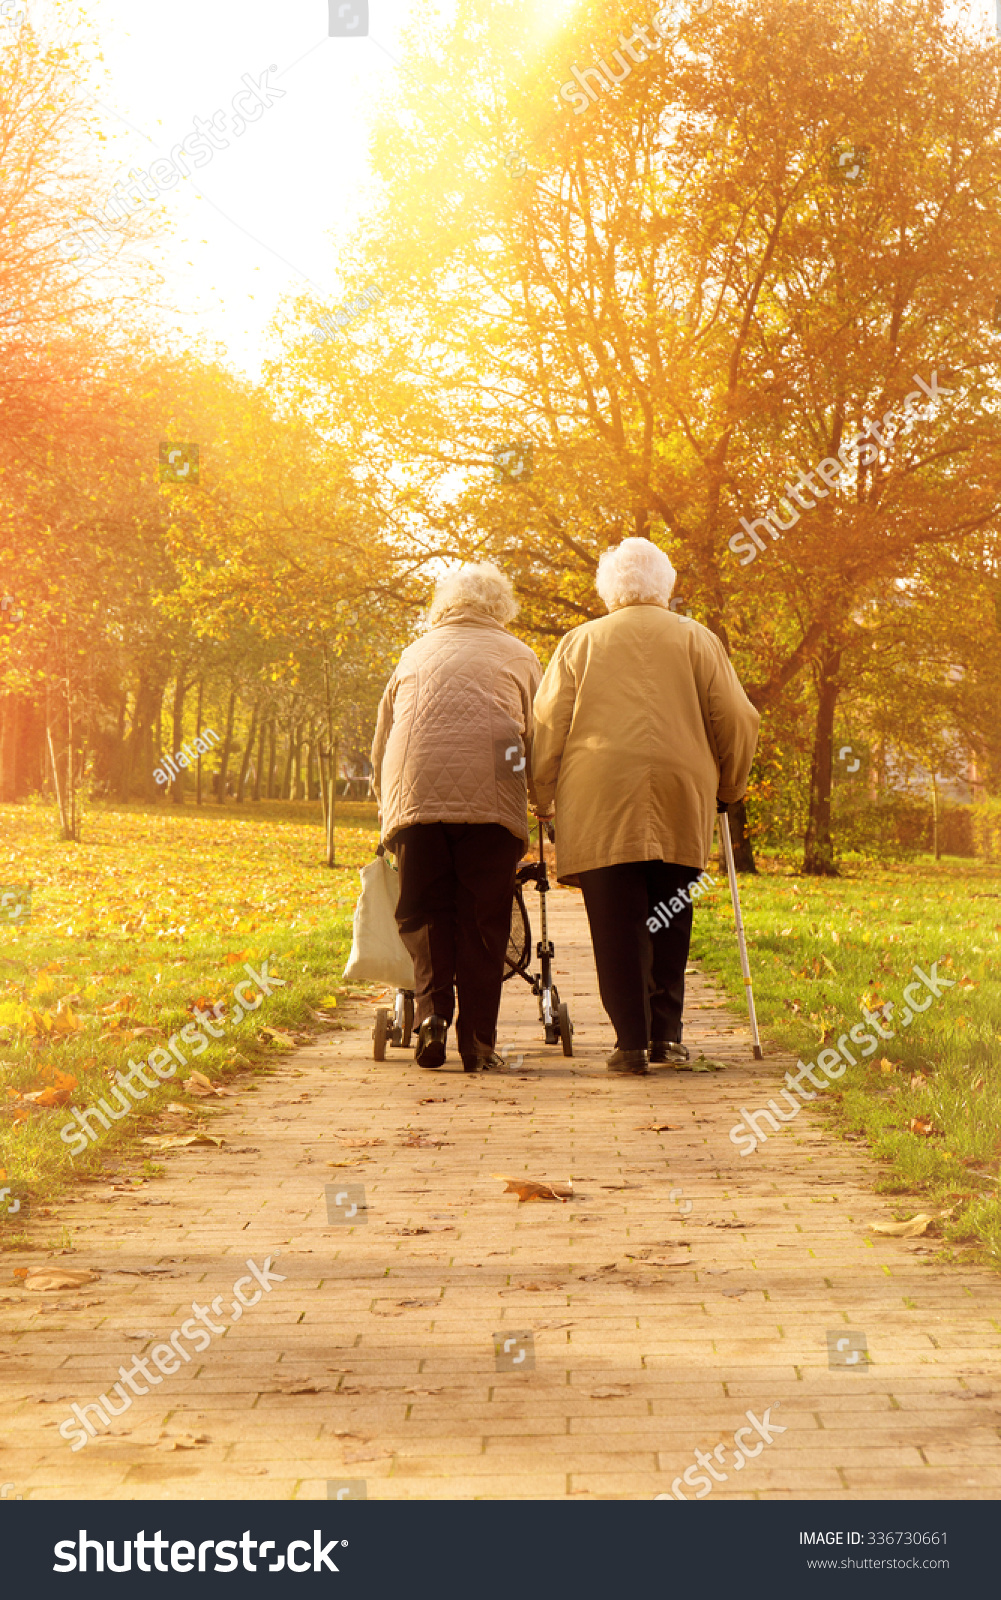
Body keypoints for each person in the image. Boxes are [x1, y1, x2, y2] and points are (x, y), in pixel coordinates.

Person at [531, 537, 759, 1075]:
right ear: (666, 585)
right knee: (669, 915)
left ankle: (630, 1042)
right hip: (682, 794)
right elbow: (737, 718)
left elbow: (548, 725)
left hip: (599, 796)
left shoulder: (579, 642)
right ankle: (667, 1037)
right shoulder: (698, 639)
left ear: (610, 589)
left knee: (614, 922)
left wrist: (541, 796)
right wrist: (730, 786)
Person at [371, 562, 542, 1071]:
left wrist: (388, 806)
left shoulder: (414, 653)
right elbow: (535, 735)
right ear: (502, 609)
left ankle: (431, 1018)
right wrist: (540, 796)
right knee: (482, 917)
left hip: (416, 794)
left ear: (444, 606)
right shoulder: (520, 654)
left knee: (423, 911)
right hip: (492, 797)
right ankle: (478, 1043)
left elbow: (384, 741)